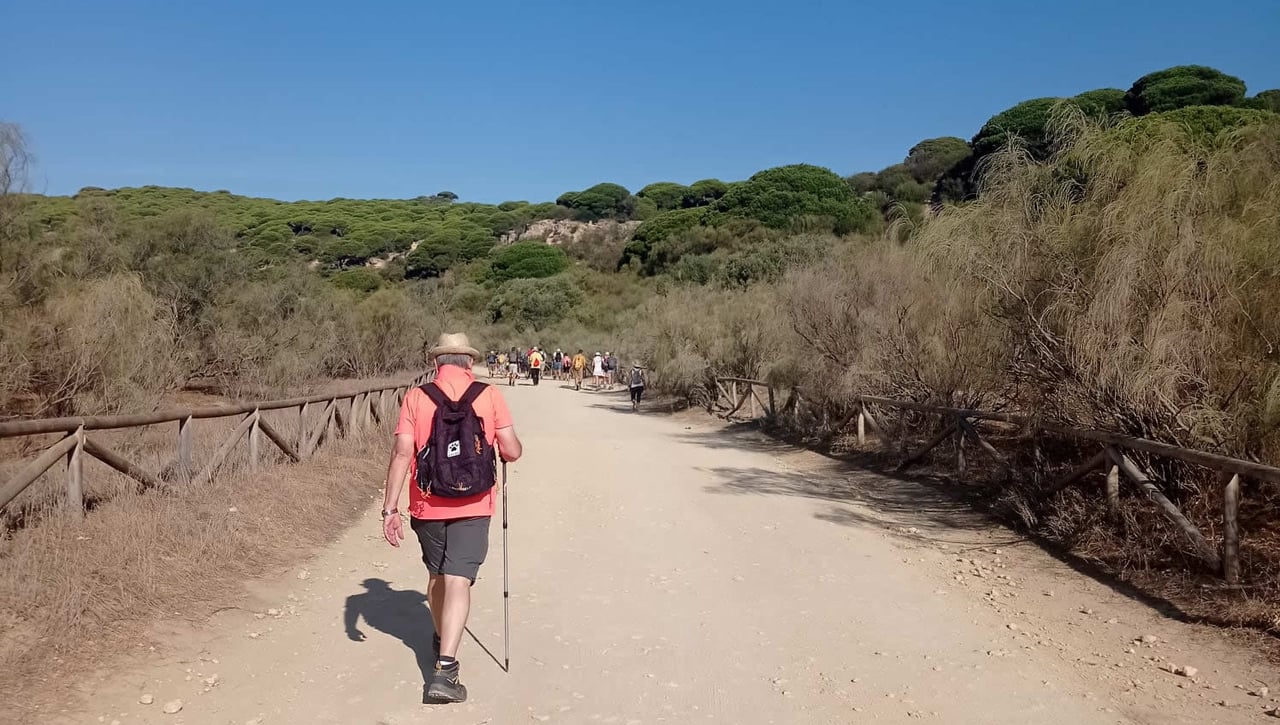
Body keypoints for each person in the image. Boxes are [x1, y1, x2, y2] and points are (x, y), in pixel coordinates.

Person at [381, 332, 523, 704]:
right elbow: (511, 450)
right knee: (459, 580)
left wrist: (389, 508)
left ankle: (440, 634)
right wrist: (506, 449)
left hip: (427, 504)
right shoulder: (489, 395)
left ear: (435, 365)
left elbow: (401, 453)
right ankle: (445, 670)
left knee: (437, 576)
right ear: (470, 364)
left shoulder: (416, 396)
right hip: (475, 504)